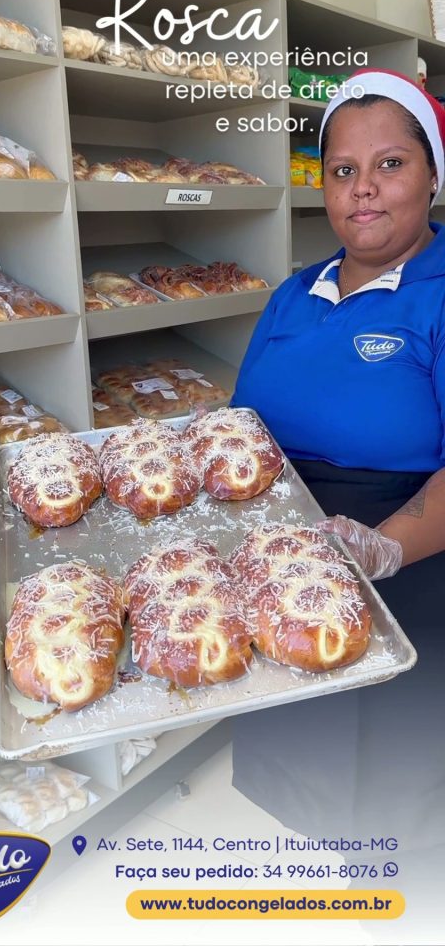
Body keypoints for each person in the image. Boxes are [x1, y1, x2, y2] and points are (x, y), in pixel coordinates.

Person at [230, 69, 445, 942]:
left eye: (389, 163)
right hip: (293, 559)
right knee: (306, 760)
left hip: (414, 564)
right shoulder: (295, 292)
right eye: (341, 169)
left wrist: (386, 549)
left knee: (399, 779)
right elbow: (246, 419)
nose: (363, 189)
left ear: (433, 175)